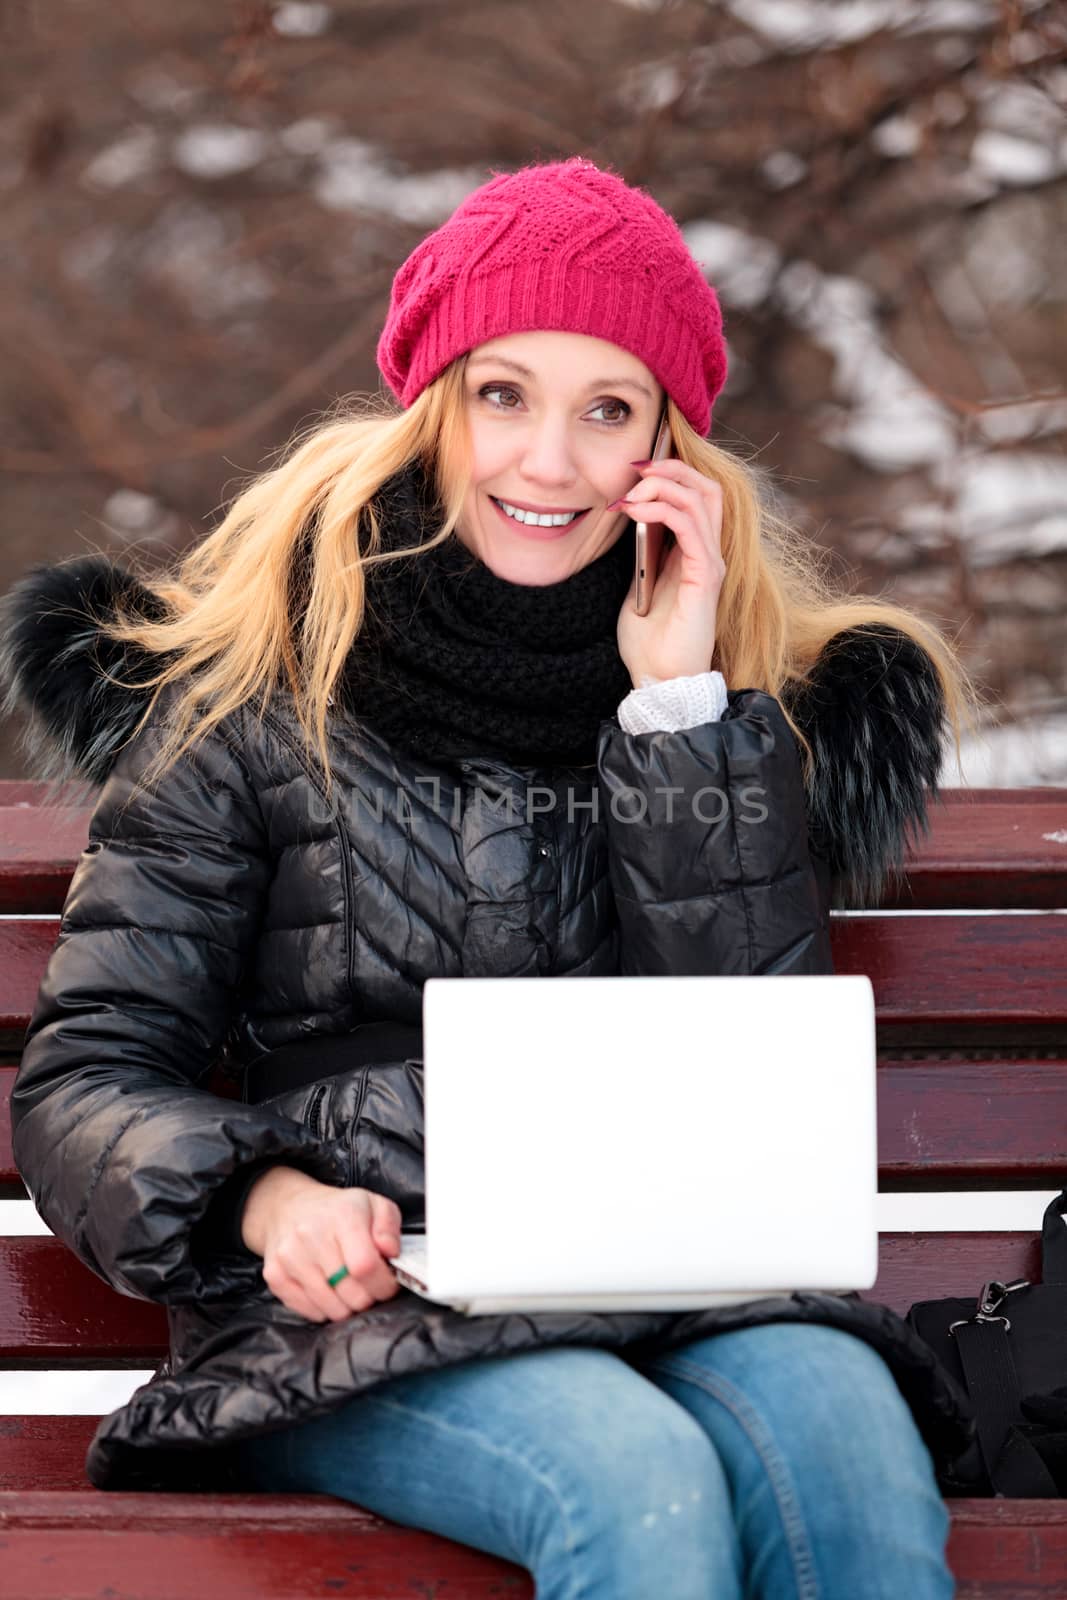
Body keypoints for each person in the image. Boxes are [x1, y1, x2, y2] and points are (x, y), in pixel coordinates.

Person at [0, 156, 979, 1599]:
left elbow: (742, 1066)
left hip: (669, 1289)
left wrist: (676, 713)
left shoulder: (718, 710)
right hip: (362, 1316)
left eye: (607, 410)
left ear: (668, 446)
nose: (547, 462)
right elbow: (86, 1080)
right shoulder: (255, 701)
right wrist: (266, 1201)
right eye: (504, 395)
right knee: (635, 1483)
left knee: (850, 1451)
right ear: (433, 406)